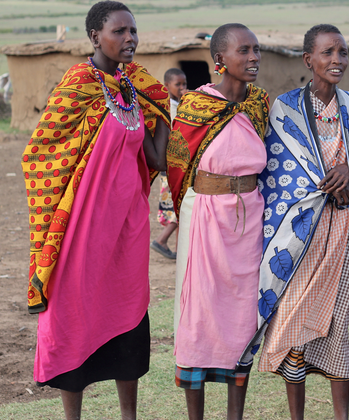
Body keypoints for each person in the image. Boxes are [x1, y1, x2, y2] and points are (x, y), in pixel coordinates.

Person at [20, 1, 170, 419]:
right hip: (81, 226)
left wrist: (161, 107)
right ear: (94, 37)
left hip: (128, 227)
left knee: (128, 312)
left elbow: (158, 159)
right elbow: (37, 154)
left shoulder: (135, 86)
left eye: (133, 31)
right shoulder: (76, 85)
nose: (130, 39)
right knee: (74, 313)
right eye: (119, 31)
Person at [239, 24, 349, 420]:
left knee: (335, 326)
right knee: (293, 325)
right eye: (327, 53)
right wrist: (324, 186)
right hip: (299, 233)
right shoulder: (285, 107)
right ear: (308, 59)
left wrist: (348, 174)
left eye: (342, 52)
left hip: (344, 229)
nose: (337, 61)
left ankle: (340, 415)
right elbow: (277, 175)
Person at [166, 23, 269, 420]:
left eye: (256, 50)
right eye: (243, 50)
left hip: (250, 218)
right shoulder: (196, 105)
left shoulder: (259, 104)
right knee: (198, 314)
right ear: (219, 60)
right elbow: (177, 166)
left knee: (242, 316)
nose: (253, 57)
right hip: (205, 217)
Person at [150, 68, 187, 259]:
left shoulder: (180, 105)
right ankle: (162, 240)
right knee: (180, 207)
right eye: (178, 84)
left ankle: (176, 248)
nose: (182, 88)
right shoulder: (169, 109)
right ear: (166, 86)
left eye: (184, 84)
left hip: (178, 164)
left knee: (180, 207)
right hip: (171, 165)